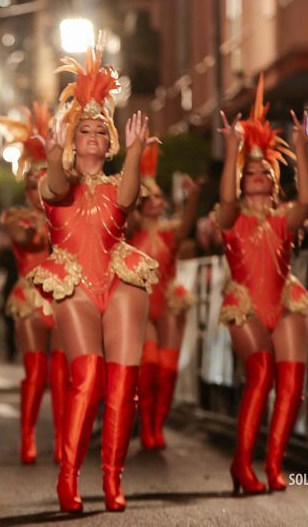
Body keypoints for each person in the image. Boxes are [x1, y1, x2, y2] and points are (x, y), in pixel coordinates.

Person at [28, 40, 158, 513]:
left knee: (125, 382)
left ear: (110, 143)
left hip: (118, 277)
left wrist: (140, 148)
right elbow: (58, 188)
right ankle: (68, 478)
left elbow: (126, 198)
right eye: (84, 130)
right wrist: (56, 152)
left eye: (101, 132)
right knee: (87, 377)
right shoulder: (52, 182)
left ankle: (112, 477)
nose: (92, 136)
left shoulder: (117, 181)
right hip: (74, 281)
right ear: (73, 137)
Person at [215, 75, 308, 495]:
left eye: (264, 172)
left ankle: (273, 464)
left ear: (275, 181)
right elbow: (222, 201)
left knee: (292, 383)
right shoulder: (230, 219)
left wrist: (303, 150)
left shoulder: (284, 218)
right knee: (260, 374)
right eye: (249, 172)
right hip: (246, 306)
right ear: (240, 181)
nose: (257, 176)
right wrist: (233, 151)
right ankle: (242, 463)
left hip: (284, 301)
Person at [0, 104, 69, 465]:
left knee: (64, 375)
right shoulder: (16, 216)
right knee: (36, 372)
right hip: (31, 299)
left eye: (44, 182)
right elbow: (27, 239)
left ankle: (65, 441)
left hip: (64, 297)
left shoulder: (66, 213)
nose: (38, 189)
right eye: (32, 183)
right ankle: (28, 436)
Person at [127, 144, 201, 450]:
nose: (156, 201)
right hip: (143, 305)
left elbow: (187, 224)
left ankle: (158, 425)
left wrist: (193, 196)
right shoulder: (131, 231)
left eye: (159, 196)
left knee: (168, 370)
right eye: (149, 197)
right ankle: (145, 425)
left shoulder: (171, 232)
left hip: (169, 303)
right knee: (149, 368)